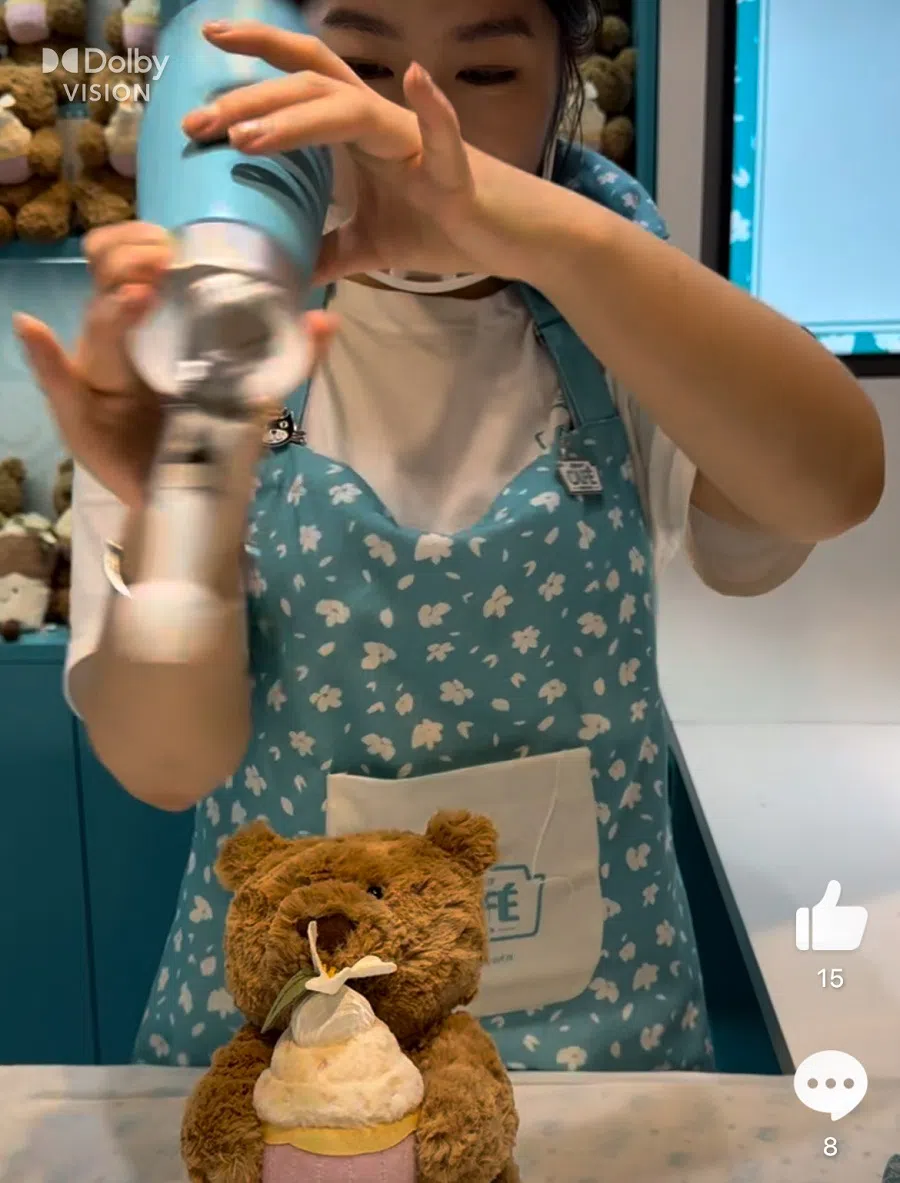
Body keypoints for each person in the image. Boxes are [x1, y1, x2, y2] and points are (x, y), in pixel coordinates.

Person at [15, 0, 883, 1073]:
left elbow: (830, 487)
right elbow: (166, 762)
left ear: (568, 80)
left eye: (481, 76)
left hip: (598, 1062)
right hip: (288, 1054)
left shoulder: (622, 312)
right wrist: (175, 508)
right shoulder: (208, 329)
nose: (414, 131)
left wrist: (546, 231)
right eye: (367, 64)